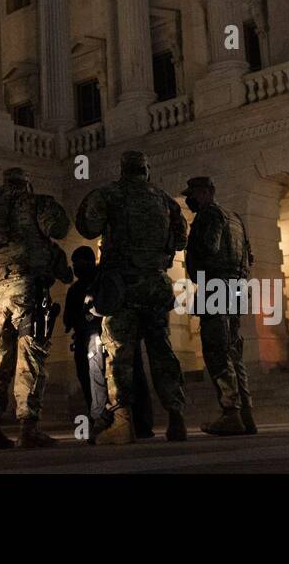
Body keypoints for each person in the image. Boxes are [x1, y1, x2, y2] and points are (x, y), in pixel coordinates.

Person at [0, 167, 72, 449]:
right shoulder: (35, 202)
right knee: (31, 357)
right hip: (27, 289)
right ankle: (27, 428)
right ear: (26, 185)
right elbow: (60, 228)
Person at [76, 150, 189, 444]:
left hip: (122, 285)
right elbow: (180, 240)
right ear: (146, 170)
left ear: (123, 170)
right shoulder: (164, 200)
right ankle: (176, 417)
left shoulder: (109, 194)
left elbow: (87, 227)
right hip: (156, 283)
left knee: (120, 354)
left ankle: (122, 420)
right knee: (162, 350)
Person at [183, 175, 257, 436]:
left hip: (215, 285)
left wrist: (193, 261)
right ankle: (246, 414)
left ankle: (231, 413)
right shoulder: (235, 218)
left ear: (204, 192)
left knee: (216, 350)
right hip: (236, 287)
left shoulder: (208, 216)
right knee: (233, 351)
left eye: (192, 194)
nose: (189, 200)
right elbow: (249, 257)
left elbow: (209, 248)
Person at [63, 245, 154, 441]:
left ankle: (118, 422)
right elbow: (69, 320)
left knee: (108, 382)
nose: (78, 268)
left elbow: (69, 321)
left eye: (81, 263)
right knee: (107, 382)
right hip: (95, 339)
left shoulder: (97, 282)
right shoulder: (92, 283)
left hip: (102, 338)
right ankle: (124, 423)